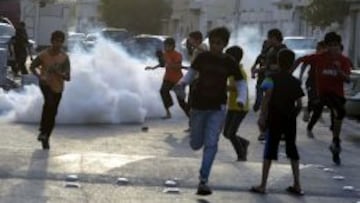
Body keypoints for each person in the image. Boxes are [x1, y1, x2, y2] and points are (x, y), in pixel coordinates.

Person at [175, 27, 247, 195]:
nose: (215, 46)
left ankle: (203, 180)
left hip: (217, 107)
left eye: (219, 43)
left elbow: (241, 82)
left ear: (225, 44)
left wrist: (241, 98)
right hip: (198, 106)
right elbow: (190, 74)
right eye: (213, 42)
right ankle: (196, 141)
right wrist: (182, 84)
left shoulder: (229, 61)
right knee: (196, 144)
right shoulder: (203, 58)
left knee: (211, 143)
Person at [250, 49, 304, 195]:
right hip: (289, 120)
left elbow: (266, 98)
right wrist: (293, 115)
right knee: (292, 150)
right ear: (292, 63)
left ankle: (263, 185)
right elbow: (299, 104)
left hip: (274, 118)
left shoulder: (270, 78)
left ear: (278, 62)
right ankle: (297, 184)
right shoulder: (295, 82)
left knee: (269, 151)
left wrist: (262, 117)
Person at [299, 32, 351, 165]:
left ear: (339, 46)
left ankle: (336, 141)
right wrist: (289, 74)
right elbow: (300, 60)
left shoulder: (343, 60)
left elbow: (348, 79)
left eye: (336, 46)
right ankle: (308, 117)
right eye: (331, 46)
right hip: (321, 93)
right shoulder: (319, 57)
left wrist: (339, 70)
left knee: (340, 112)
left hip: (336, 94)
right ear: (327, 46)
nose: (334, 48)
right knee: (318, 109)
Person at [30, 30, 71, 150]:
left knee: (52, 112)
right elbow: (32, 67)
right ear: (51, 41)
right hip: (45, 84)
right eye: (55, 41)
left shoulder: (64, 58)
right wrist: (39, 76)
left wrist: (58, 73)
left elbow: (68, 77)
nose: (57, 44)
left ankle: (46, 136)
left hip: (58, 87)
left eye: (60, 42)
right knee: (49, 103)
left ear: (62, 43)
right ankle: (43, 131)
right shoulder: (44, 55)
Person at [145, 37, 189, 119]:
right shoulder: (164, 54)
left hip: (178, 80)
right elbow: (162, 64)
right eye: (164, 46)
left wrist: (168, 62)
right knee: (163, 91)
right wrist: (152, 67)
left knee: (181, 102)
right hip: (168, 78)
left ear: (172, 46)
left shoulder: (177, 55)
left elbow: (177, 66)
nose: (165, 47)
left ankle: (192, 118)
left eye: (167, 46)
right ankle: (168, 113)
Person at [256, 28, 287, 141]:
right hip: (269, 78)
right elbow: (267, 64)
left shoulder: (282, 50)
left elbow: (281, 66)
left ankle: (277, 131)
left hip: (278, 80)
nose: (268, 40)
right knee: (266, 106)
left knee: (272, 105)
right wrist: (258, 70)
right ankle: (264, 130)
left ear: (274, 38)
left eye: (269, 37)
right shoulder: (270, 49)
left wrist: (266, 68)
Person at [223, 46, 250, 161]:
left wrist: (223, 87)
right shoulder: (231, 70)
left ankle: (241, 155)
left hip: (241, 107)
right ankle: (244, 142)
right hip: (232, 105)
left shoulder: (240, 72)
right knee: (226, 133)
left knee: (231, 133)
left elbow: (238, 87)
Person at [292, 41, 327, 128]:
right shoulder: (314, 57)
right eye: (317, 48)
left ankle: (313, 113)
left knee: (319, 101)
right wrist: (299, 76)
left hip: (323, 83)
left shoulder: (328, 58)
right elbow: (303, 63)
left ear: (325, 48)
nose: (317, 50)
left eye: (319, 48)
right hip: (311, 81)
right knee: (313, 98)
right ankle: (308, 110)